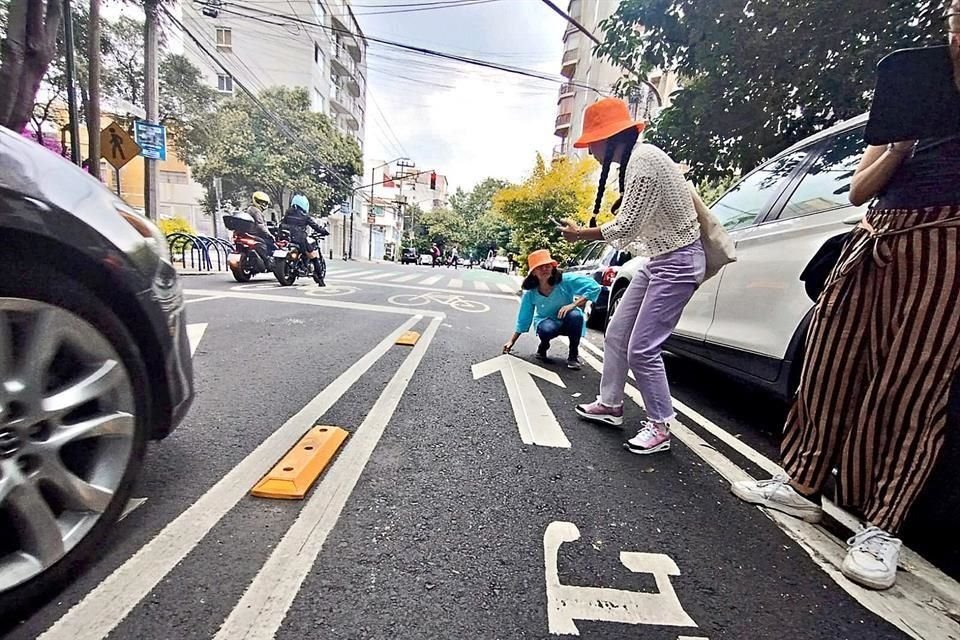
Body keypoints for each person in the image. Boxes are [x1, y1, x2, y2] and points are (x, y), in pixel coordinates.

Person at [731, 5, 960, 591]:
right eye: (955, 21)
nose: (957, 34)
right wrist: (901, 144)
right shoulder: (912, 85)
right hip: (877, 232)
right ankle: (802, 484)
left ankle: (881, 525)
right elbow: (859, 188)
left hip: (948, 244)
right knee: (827, 364)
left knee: (913, 386)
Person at [556, 97, 704, 455]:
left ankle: (660, 426)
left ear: (610, 138)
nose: (589, 150)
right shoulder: (638, 161)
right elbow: (632, 227)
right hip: (658, 261)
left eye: (592, 141)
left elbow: (626, 226)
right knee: (618, 331)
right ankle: (611, 404)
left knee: (643, 347)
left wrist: (580, 234)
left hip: (679, 262)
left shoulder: (644, 161)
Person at [502, 249, 600, 370]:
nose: (544, 269)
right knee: (547, 329)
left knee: (576, 316)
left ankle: (573, 355)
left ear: (552, 268)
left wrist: (573, 305)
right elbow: (524, 318)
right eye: (540, 267)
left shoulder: (565, 281)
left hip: (568, 320)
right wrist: (511, 341)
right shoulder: (530, 293)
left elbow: (594, 287)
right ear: (533, 273)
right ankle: (543, 347)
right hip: (546, 321)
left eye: (547, 266)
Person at [280, 194, 328, 286]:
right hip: (300, 240)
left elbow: (282, 223)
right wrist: (324, 231)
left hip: (287, 239)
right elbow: (315, 226)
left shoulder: (287, 213)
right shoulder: (305, 216)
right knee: (313, 256)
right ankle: (321, 280)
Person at [246, 191, 276, 264]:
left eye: (265, 203)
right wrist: (270, 235)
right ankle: (268, 260)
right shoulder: (256, 211)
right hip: (256, 234)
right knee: (272, 244)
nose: (263, 204)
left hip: (250, 233)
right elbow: (260, 226)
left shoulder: (249, 209)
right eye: (261, 202)